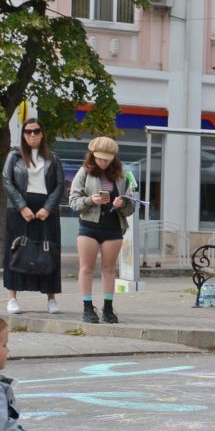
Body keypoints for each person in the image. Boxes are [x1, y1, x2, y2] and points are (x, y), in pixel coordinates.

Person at [68, 137, 137, 324]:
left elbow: (131, 208)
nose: (103, 162)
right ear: (92, 156)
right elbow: (73, 202)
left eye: (107, 159)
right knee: (86, 268)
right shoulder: (84, 172)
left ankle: (108, 307)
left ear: (114, 158)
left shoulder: (122, 176)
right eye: (100, 158)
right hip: (89, 226)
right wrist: (92, 200)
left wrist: (122, 203)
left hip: (113, 227)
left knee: (109, 269)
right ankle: (87, 307)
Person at [2, 119, 65, 314]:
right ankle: (12, 299)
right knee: (15, 251)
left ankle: (51, 299)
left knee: (48, 251)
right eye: (28, 132)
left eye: (36, 131)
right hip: (19, 210)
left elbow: (60, 184)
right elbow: (7, 180)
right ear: (23, 135)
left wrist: (47, 208)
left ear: (42, 133)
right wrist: (22, 206)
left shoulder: (53, 158)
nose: (32, 135)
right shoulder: (14, 156)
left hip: (47, 212)